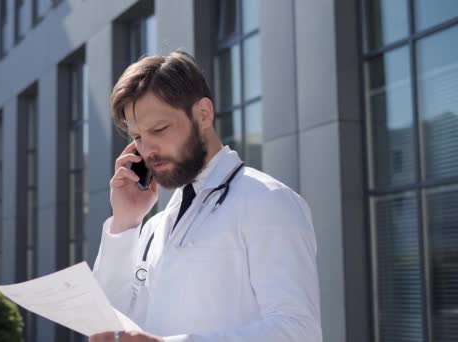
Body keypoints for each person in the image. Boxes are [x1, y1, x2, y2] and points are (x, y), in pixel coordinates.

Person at [89, 51, 322, 342]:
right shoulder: (154, 227)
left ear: (203, 115)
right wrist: (124, 223)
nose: (147, 150)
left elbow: (298, 331)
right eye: (137, 137)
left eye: (159, 129)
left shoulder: (267, 201)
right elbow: (110, 322)